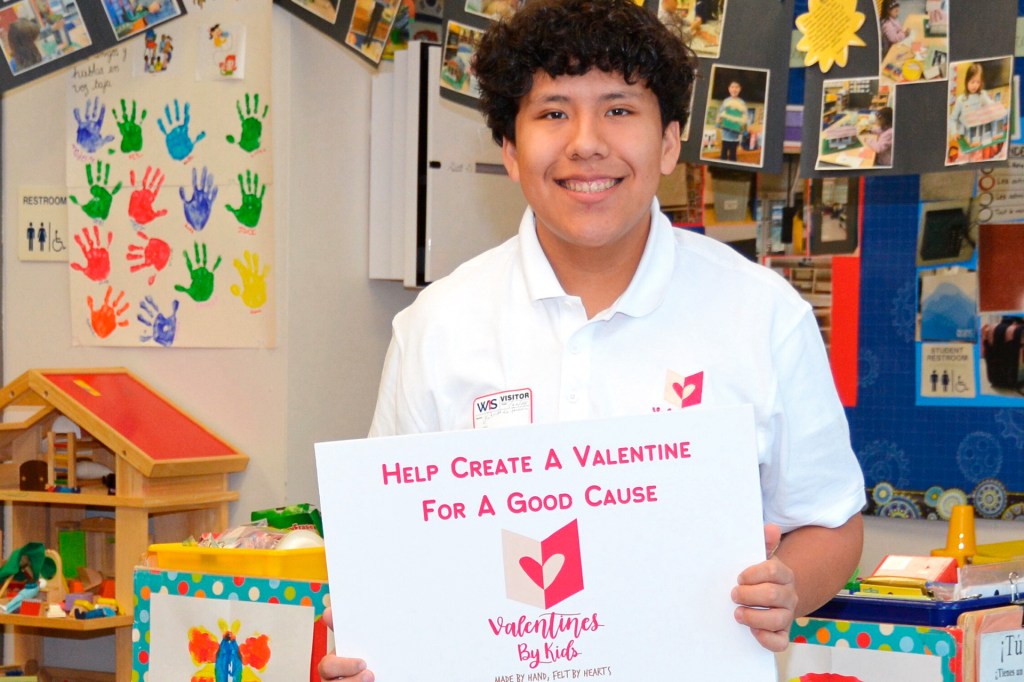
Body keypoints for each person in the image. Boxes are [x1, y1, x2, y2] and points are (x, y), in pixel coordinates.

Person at [318, 0, 865, 678]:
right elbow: (391, 544)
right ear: (512, 153)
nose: (585, 142)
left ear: (668, 144)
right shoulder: (439, 325)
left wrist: (788, 587)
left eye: (618, 109)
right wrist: (380, 638)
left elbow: (833, 522)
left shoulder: (761, 314)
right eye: (552, 112)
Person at [949, 61, 994, 143]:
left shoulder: (982, 94)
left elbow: (992, 108)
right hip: (964, 136)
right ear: (966, 81)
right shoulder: (961, 99)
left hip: (979, 134)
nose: (975, 85)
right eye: (972, 82)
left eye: (978, 82)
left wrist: (987, 99)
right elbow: (952, 119)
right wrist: (954, 132)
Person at [716, 79, 747, 162]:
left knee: (733, 157)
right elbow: (720, 116)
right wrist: (719, 123)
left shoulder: (742, 103)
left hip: (735, 138)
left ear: (740, 89)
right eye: (732, 87)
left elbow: (744, 119)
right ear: (729, 89)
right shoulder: (726, 101)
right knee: (723, 157)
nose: (734, 89)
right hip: (725, 137)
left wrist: (743, 131)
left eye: (737, 87)